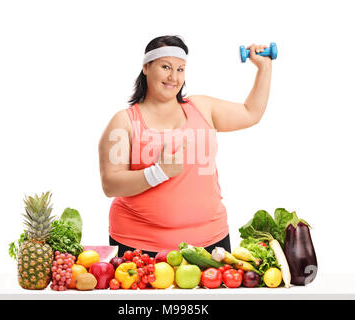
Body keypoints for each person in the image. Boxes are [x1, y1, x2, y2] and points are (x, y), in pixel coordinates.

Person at [99, 35, 272, 257]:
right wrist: (157, 173)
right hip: (140, 245)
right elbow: (110, 184)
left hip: (211, 240)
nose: (174, 77)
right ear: (146, 67)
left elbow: (251, 112)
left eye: (181, 69)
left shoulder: (202, 107)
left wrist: (264, 69)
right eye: (165, 67)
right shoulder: (124, 122)